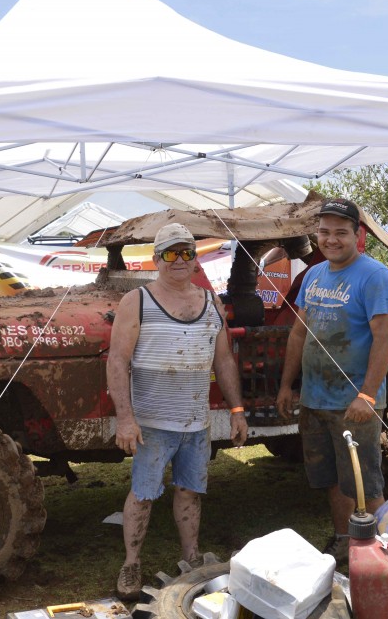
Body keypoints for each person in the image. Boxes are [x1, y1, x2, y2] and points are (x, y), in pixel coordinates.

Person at [107, 223, 249, 601]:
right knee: (143, 494)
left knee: (190, 491)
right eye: (171, 253)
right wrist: (125, 418)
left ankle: (191, 557)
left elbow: (224, 359)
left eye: (187, 252)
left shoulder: (210, 301)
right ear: (156, 260)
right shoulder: (136, 301)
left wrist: (237, 409)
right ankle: (131, 562)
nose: (180, 260)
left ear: (195, 258)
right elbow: (118, 361)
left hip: (196, 423)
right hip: (152, 425)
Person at [275, 198, 388, 564]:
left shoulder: (376, 276)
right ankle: (345, 542)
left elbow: (384, 340)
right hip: (315, 400)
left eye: (341, 233)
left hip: (354, 405)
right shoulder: (314, 276)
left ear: (358, 235)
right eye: (325, 232)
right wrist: (287, 385)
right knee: (333, 480)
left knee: (367, 483)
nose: (331, 240)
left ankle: (384, 556)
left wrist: (366, 394)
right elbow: (298, 335)